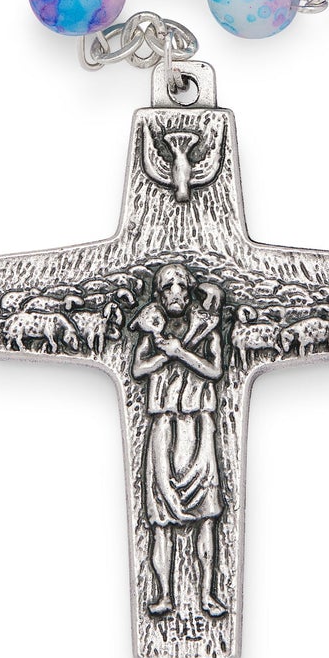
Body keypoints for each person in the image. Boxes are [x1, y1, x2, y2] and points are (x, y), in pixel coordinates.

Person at [131, 264, 226, 617]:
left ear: (189, 292)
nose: (174, 292)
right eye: (167, 286)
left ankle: (208, 594)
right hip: (163, 427)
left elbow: (215, 370)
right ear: (158, 293)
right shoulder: (152, 328)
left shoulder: (209, 327)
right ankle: (163, 595)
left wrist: (181, 353)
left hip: (199, 426)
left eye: (180, 286)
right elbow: (138, 369)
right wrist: (165, 353)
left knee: (208, 516)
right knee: (159, 518)